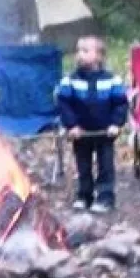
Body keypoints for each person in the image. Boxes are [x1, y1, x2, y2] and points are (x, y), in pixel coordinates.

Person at [56, 35, 128, 213]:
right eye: (78, 50)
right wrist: (71, 125)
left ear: (99, 56)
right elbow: (64, 104)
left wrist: (116, 123)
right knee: (83, 166)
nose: (79, 54)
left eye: (85, 51)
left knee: (105, 165)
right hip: (80, 132)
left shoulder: (112, 80)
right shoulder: (70, 80)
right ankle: (84, 195)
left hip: (105, 132)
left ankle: (105, 197)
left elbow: (120, 103)